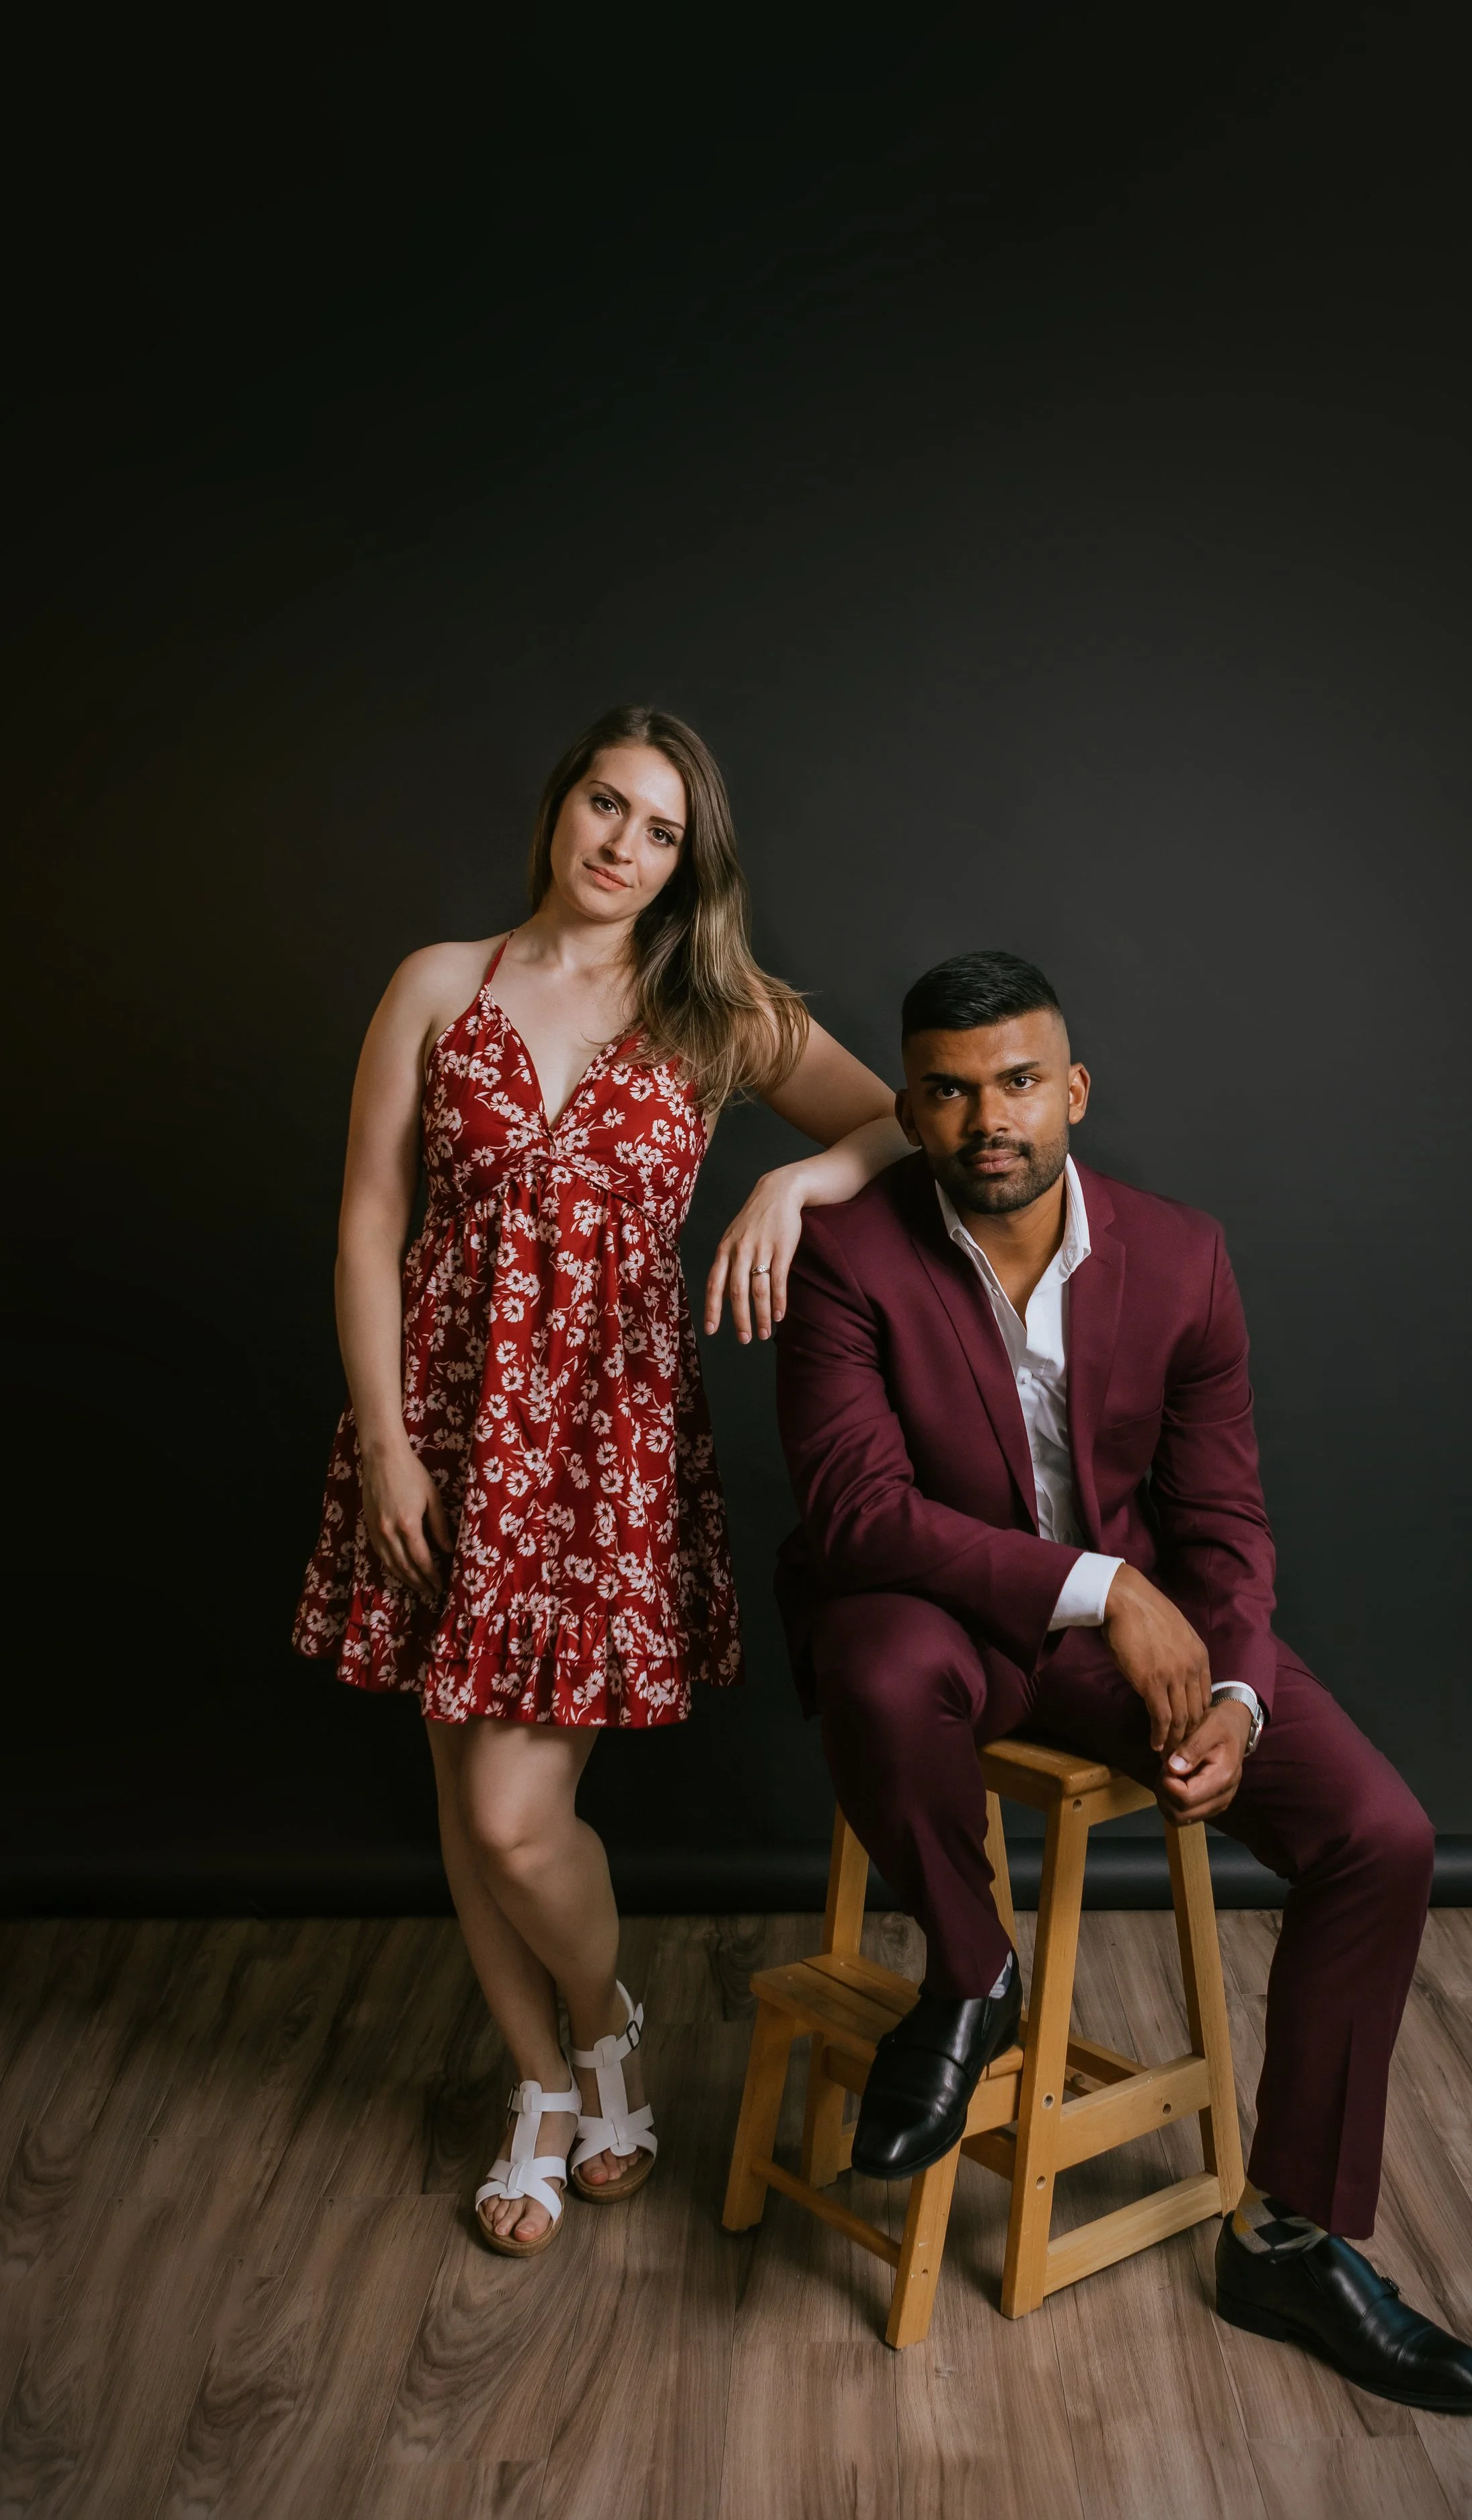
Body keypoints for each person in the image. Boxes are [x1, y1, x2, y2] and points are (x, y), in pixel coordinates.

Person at [773, 947, 1472, 2413]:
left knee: (1381, 1836)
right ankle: (971, 1974)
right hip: (950, 1622)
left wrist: (1232, 1692)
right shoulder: (850, 1255)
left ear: (1074, 1091)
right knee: (874, 1650)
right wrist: (1105, 1587)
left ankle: (1287, 2233)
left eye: (1021, 1081)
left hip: (1144, 1648)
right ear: (908, 1110)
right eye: (951, 1089)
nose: (991, 1117)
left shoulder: (1181, 1255)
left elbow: (1223, 1520)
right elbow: (854, 1512)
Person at [295, 704, 903, 2258]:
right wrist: (385, 1439)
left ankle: (604, 2021)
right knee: (459, 1786)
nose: (622, 846)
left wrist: (795, 1171)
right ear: (559, 805)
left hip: (601, 1448)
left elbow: (901, 1128)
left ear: (687, 862)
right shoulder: (441, 983)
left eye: (658, 830)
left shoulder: (718, 1012)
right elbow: (371, 1218)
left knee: (514, 1813)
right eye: (604, 805)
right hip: (433, 1420)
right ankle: (543, 2088)